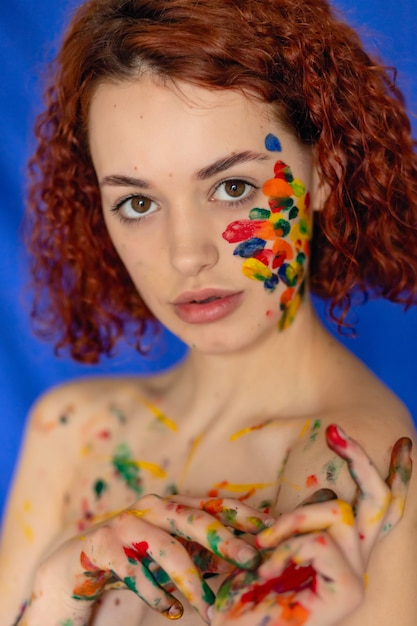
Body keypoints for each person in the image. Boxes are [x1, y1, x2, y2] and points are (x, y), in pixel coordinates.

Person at [0, 0, 416, 624]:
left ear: (325, 170)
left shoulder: (354, 462)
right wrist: (60, 589)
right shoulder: (69, 433)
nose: (186, 255)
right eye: (138, 203)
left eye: (232, 187)